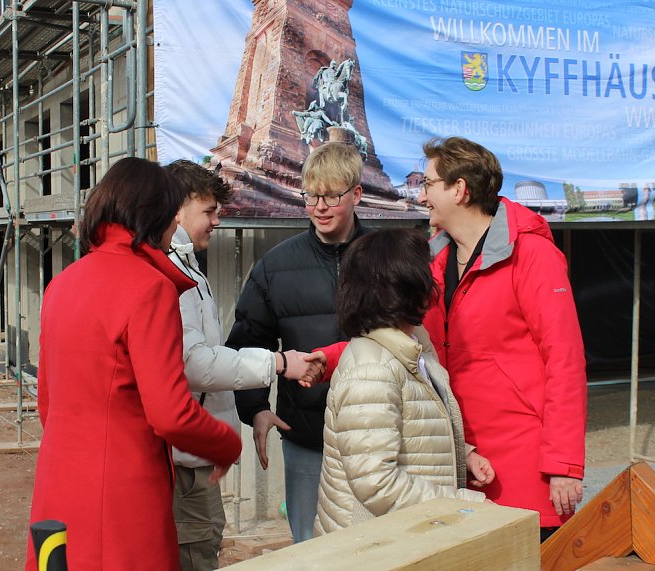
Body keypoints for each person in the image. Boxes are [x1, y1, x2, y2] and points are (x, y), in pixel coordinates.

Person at [26, 157, 242, 571]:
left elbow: (47, 402)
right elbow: (170, 413)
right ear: (157, 216)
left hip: (59, 478)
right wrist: (225, 443)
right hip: (123, 487)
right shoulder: (149, 287)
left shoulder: (63, 283)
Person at [418, 137, 587, 542]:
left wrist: (563, 464)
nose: (421, 197)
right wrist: (328, 359)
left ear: (459, 189)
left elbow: (565, 360)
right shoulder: (435, 260)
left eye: (428, 184)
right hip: (463, 458)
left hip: (523, 463)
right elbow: (408, 343)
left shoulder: (532, 255)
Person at [164, 160, 314, 569]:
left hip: (193, 454)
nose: (216, 221)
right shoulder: (172, 272)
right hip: (185, 458)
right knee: (194, 551)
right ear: (177, 210)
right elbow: (195, 364)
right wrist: (278, 363)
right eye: (209, 211)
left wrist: (252, 410)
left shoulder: (187, 266)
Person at [227, 141, 368, 543]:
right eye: (311, 196)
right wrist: (255, 408)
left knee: (374, 548)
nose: (320, 207)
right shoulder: (275, 266)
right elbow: (247, 341)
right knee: (309, 546)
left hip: (375, 434)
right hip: (307, 437)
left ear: (357, 194)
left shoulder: (383, 259)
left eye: (332, 196)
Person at [314, 229, 493, 535]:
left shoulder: (413, 344)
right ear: (404, 286)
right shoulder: (372, 370)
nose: (433, 280)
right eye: (425, 272)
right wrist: (464, 504)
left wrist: (463, 455)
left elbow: (412, 425)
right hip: (371, 545)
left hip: (405, 533)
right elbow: (376, 483)